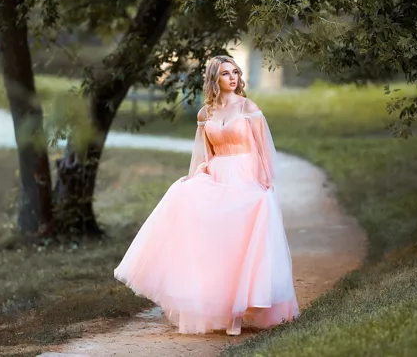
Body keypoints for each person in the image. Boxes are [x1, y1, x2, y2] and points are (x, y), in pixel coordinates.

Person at [114, 55, 299, 336]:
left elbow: (262, 149)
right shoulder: (206, 113)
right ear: (215, 78)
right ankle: (218, 306)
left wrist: (265, 181)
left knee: (240, 242)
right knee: (209, 233)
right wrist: (194, 175)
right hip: (218, 174)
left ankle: (238, 313)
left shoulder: (248, 107)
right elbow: (204, 153)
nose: (233, 78)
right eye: (226, 74)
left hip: (245, 176)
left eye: (235, 72)